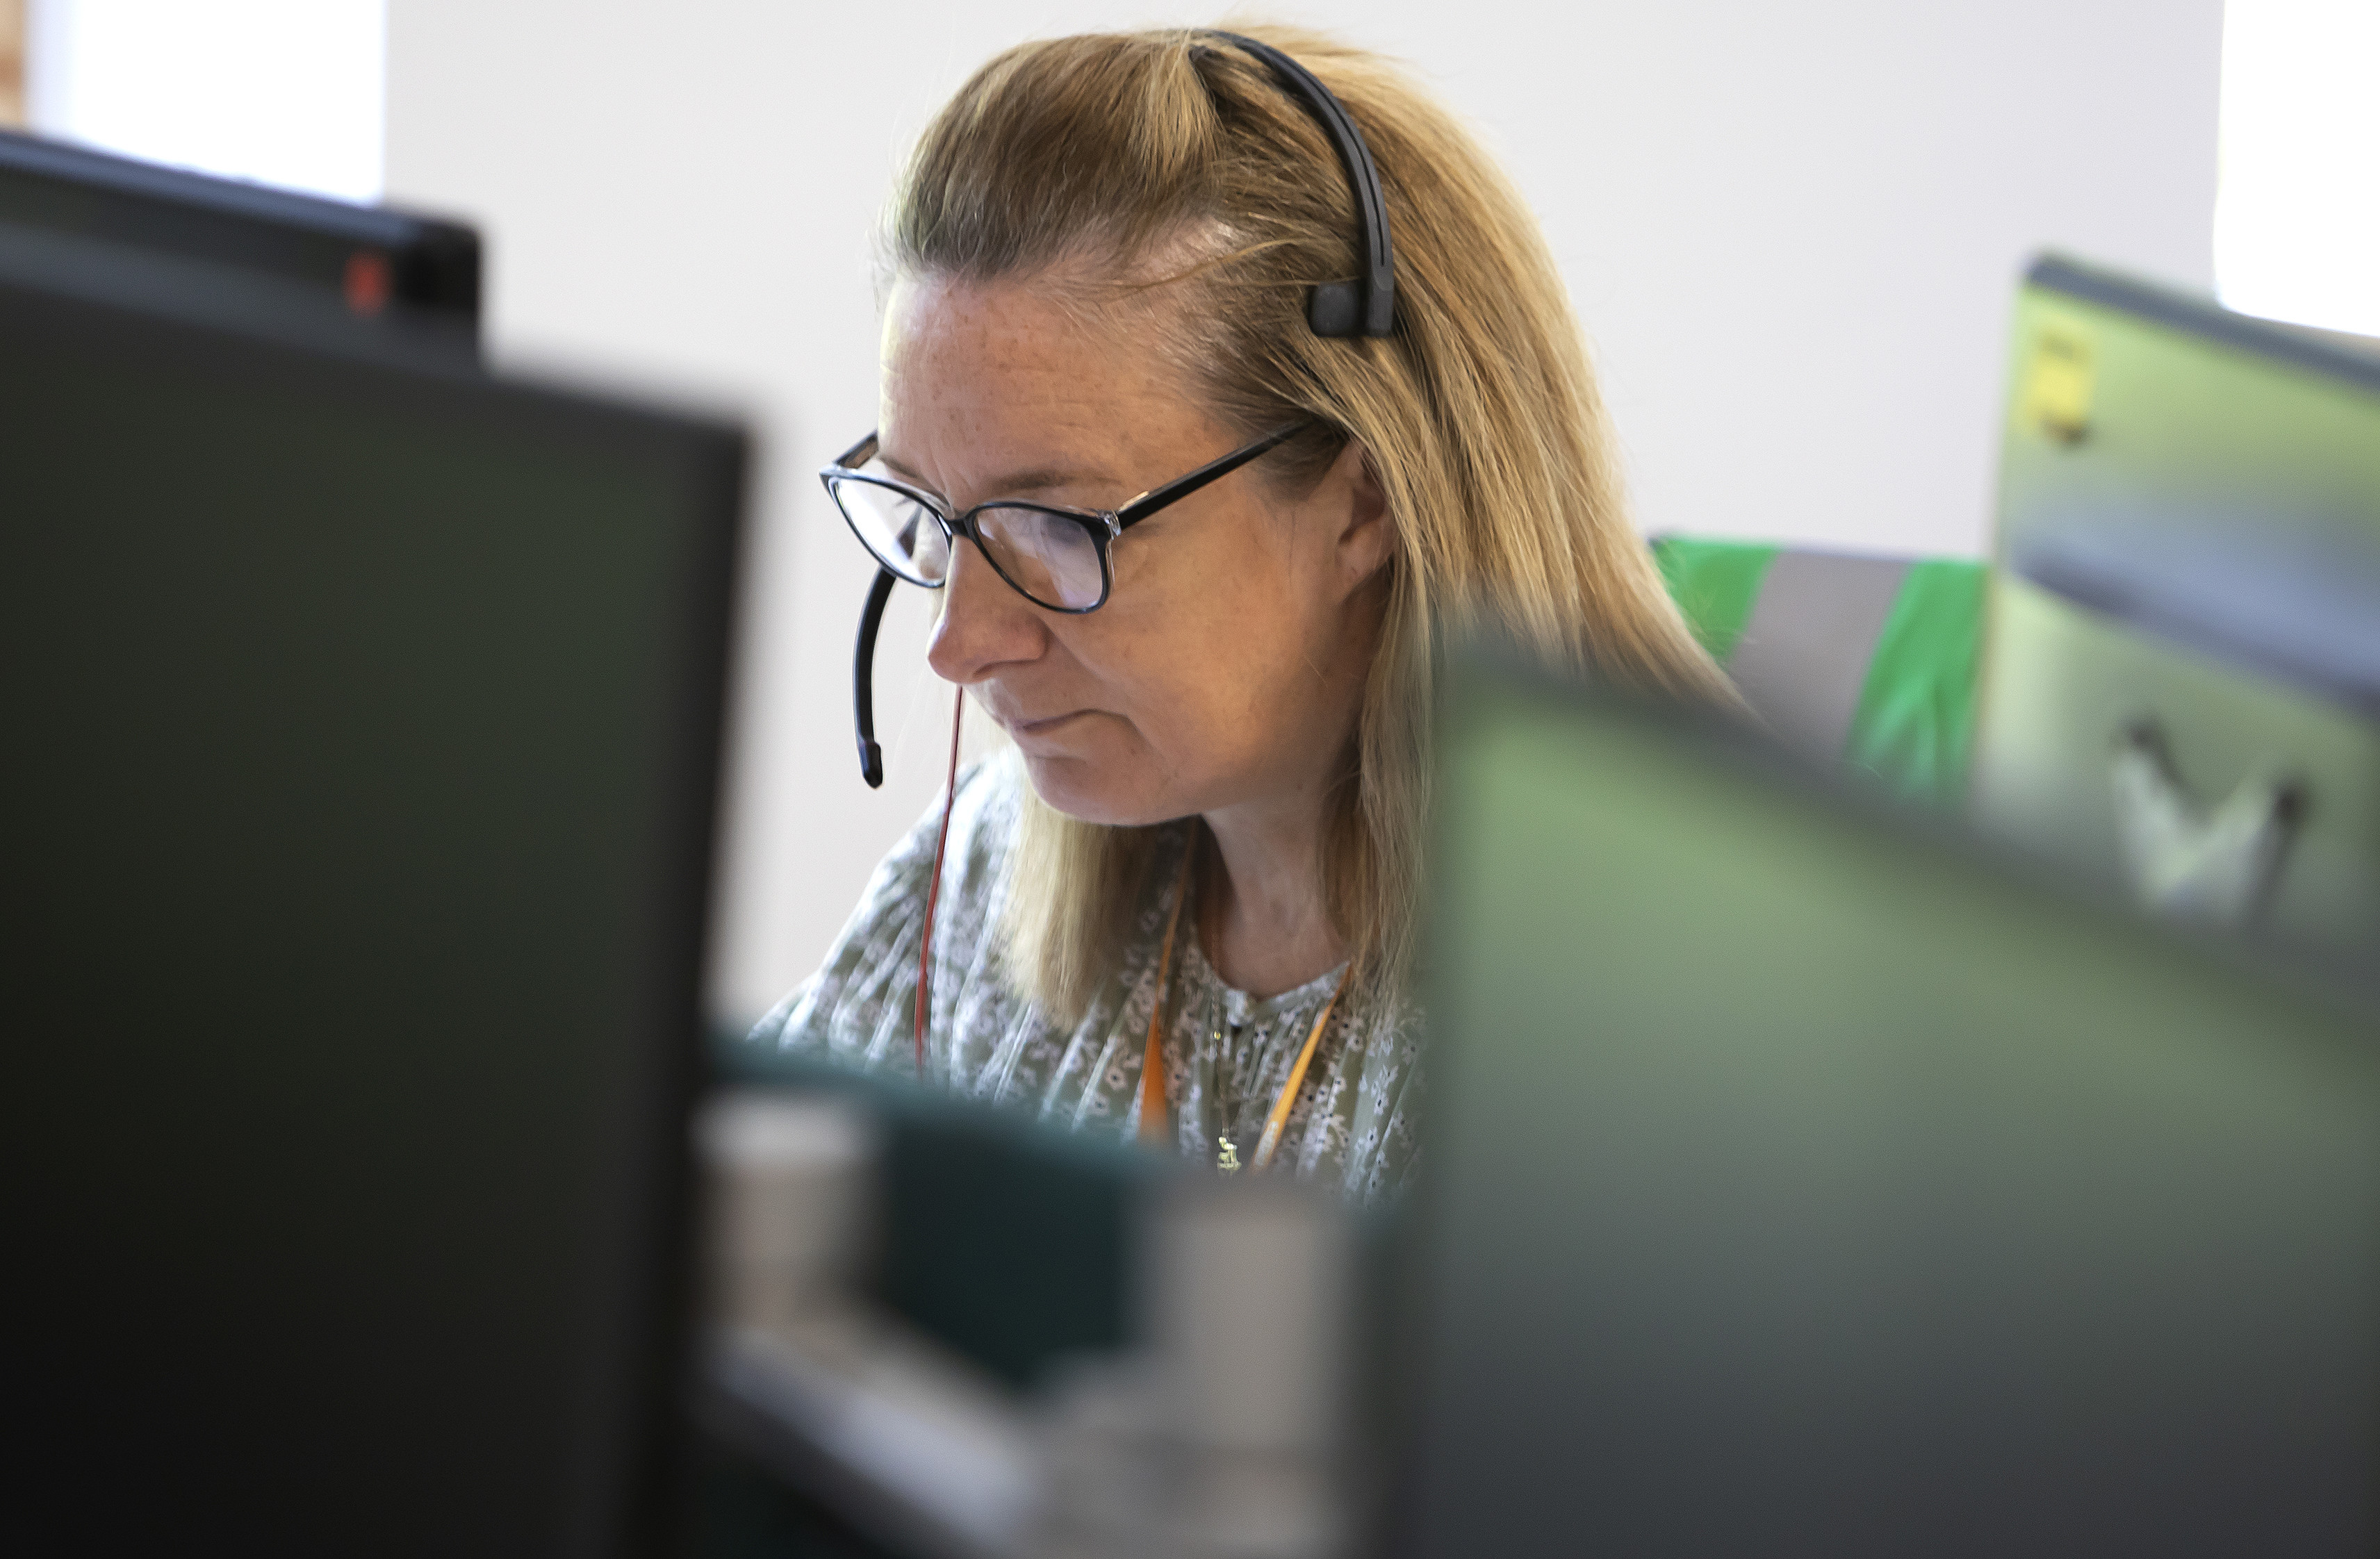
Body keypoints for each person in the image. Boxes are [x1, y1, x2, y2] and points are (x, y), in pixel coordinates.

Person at [744, 24, 1731, 1202]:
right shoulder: (998, 860)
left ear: (1363, 501)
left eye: (1054, 526)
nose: (957, 647)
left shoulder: (1650, 1031)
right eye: (926, 511)